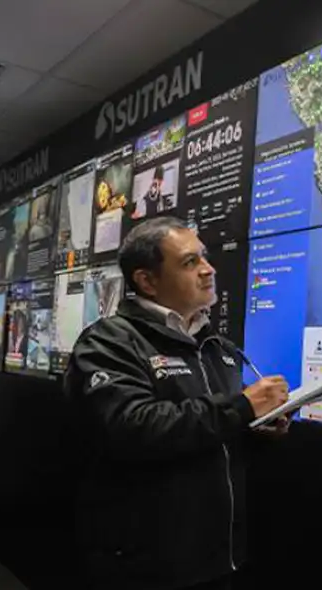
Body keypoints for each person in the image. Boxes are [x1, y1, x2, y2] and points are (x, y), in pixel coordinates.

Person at [63, 216, 291, 590]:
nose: (208, 269)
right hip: (148, 567)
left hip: (221, 558)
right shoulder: (108, 342)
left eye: (204, 257)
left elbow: (209, 433)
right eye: (190, 262)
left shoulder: (215, 345)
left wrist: (258, 429)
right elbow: (130, 427)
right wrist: (242, 408)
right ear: (147, 280)